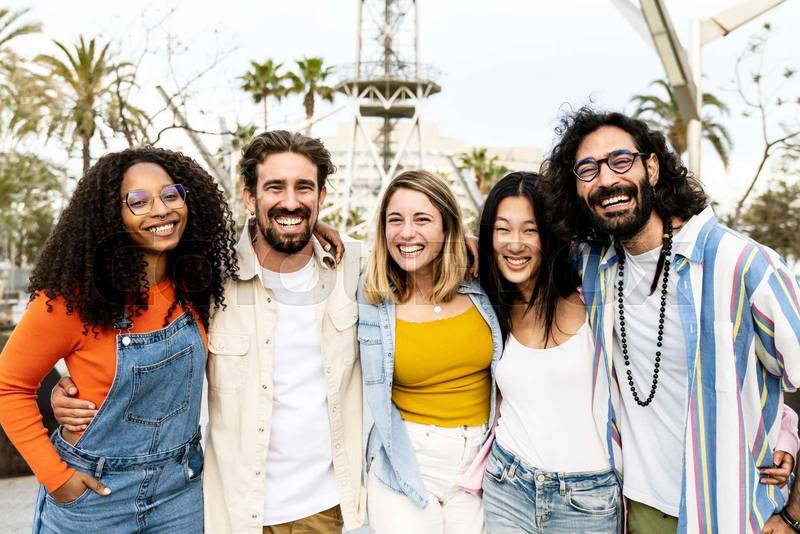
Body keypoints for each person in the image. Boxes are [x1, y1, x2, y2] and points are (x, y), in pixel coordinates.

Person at [52, 131, 366, 533]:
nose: (290, 201)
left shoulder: (355, 265)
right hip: (228, 509)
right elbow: (144, 346)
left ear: (321, 196)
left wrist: (470, 243)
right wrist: (71, 391)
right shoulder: (204, 277)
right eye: (274, 188)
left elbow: (422, 253)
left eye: (303, 188)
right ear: (250, 197)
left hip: (320, 508)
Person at [542, 107, 800, 533]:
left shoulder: (742, 266)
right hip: (635, 511)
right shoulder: (593, 267)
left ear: (653, 167)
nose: (606, 180)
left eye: (620, 161)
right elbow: (517, 250)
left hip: (733, 515)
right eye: (587, 169)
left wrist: (793, 511)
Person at [0, 147, 238, 532]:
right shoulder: (72, 300)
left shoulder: (199, 285)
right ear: (113, 216)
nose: (161, 210)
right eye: (138, 202)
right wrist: (57, 479)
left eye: (171, 195)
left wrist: (320, 233)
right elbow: (8, 386)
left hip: (181, 493)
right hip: (95, 498)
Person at [357, 170, 502, 533]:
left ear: (446, 228)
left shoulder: (483, 283)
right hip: (407, 458)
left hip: (480, 464)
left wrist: (476, 241)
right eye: (396, 220)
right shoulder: (371, 298)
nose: (407, 233)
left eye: (423, 219)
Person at [477, 171, 620, 533]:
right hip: (508, 483)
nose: (515, 244)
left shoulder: (596, 300)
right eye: (503, 229)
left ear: (551, 234)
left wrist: (785, 429)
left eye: (530, 229)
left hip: (588, 499)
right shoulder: (489, 305)